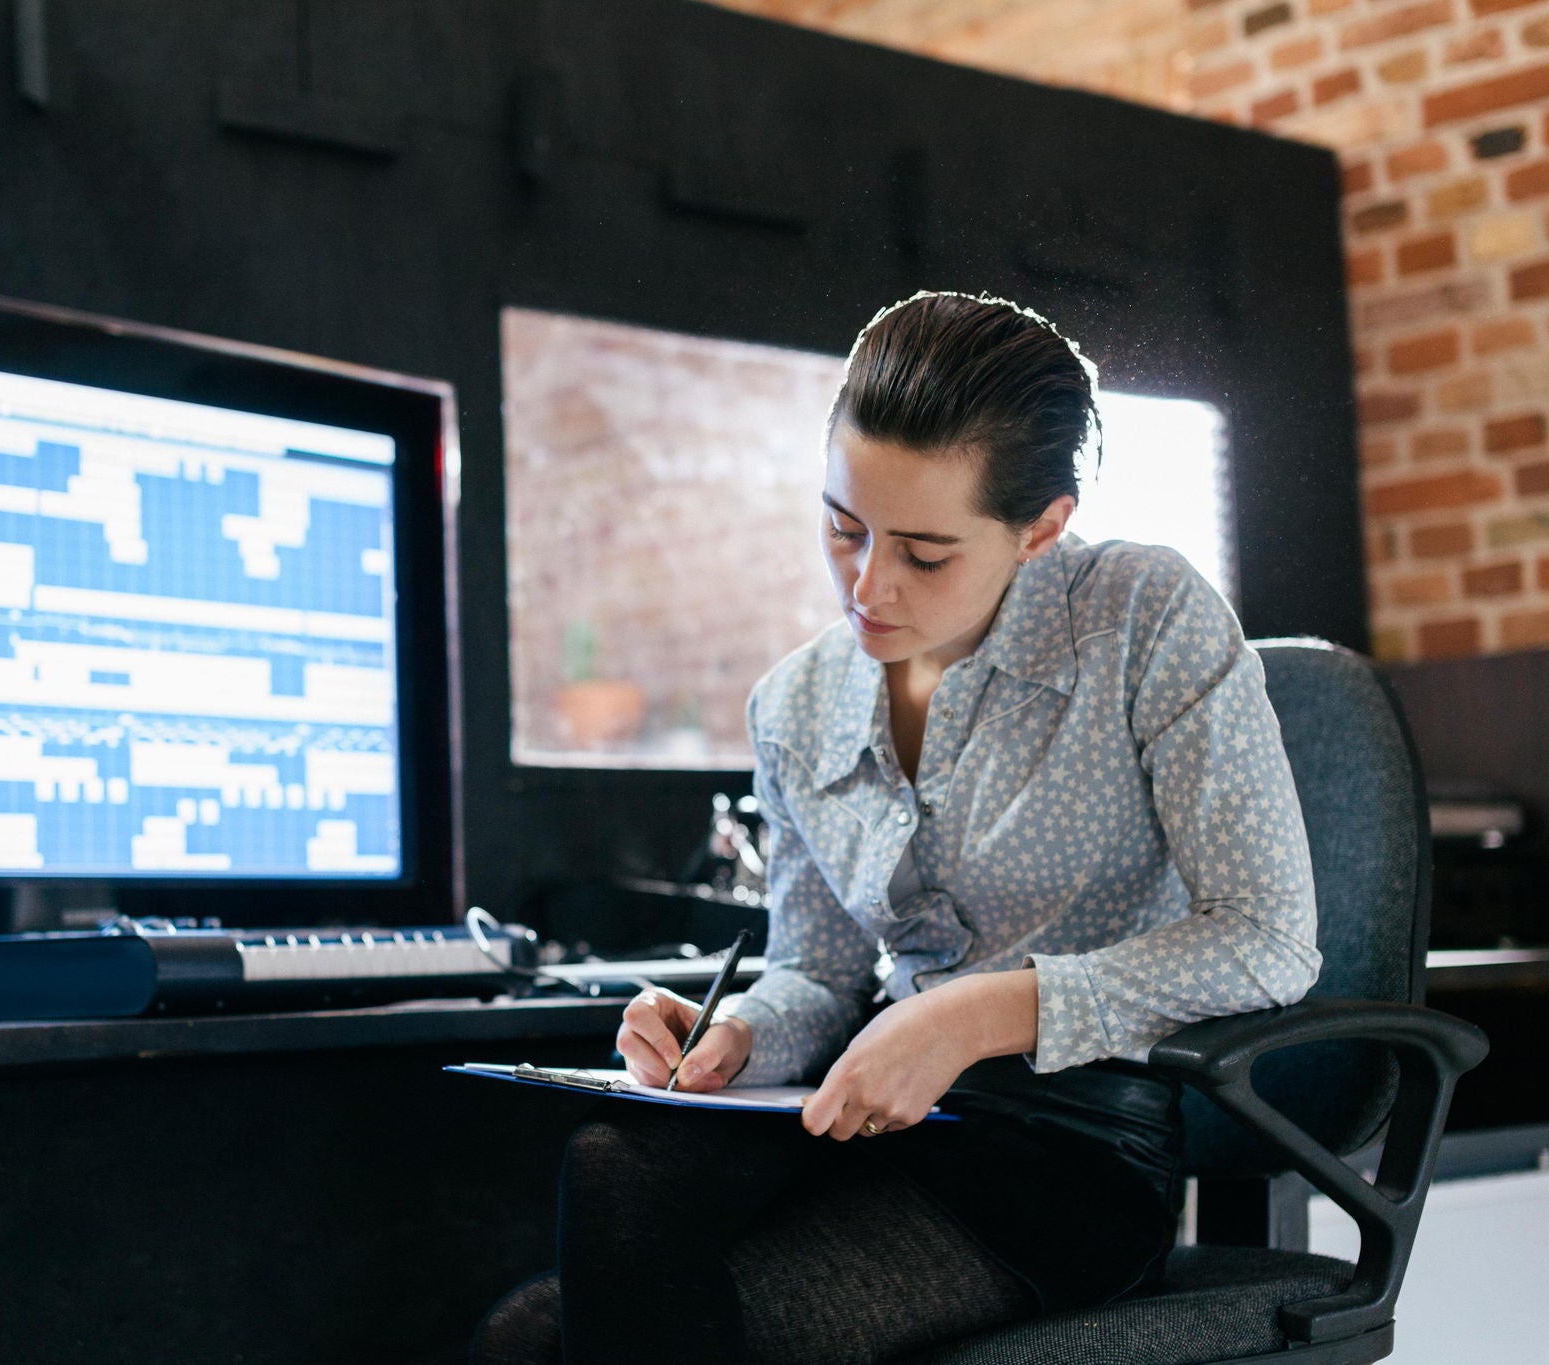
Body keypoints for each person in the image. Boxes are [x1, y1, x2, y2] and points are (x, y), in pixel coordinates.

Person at [471, 292, 1322, 1365]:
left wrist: (970, 1016)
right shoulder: (795, 703)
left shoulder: (1139, 617)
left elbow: (1266, 936)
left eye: (924, 554)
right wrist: (733, 1033)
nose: (866, 587)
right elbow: (816, 978)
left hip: (1069, 1152)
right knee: (599, 1199)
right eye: (842, 528)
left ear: (1039, 529)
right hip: (862, 1114)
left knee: (556, 1348)